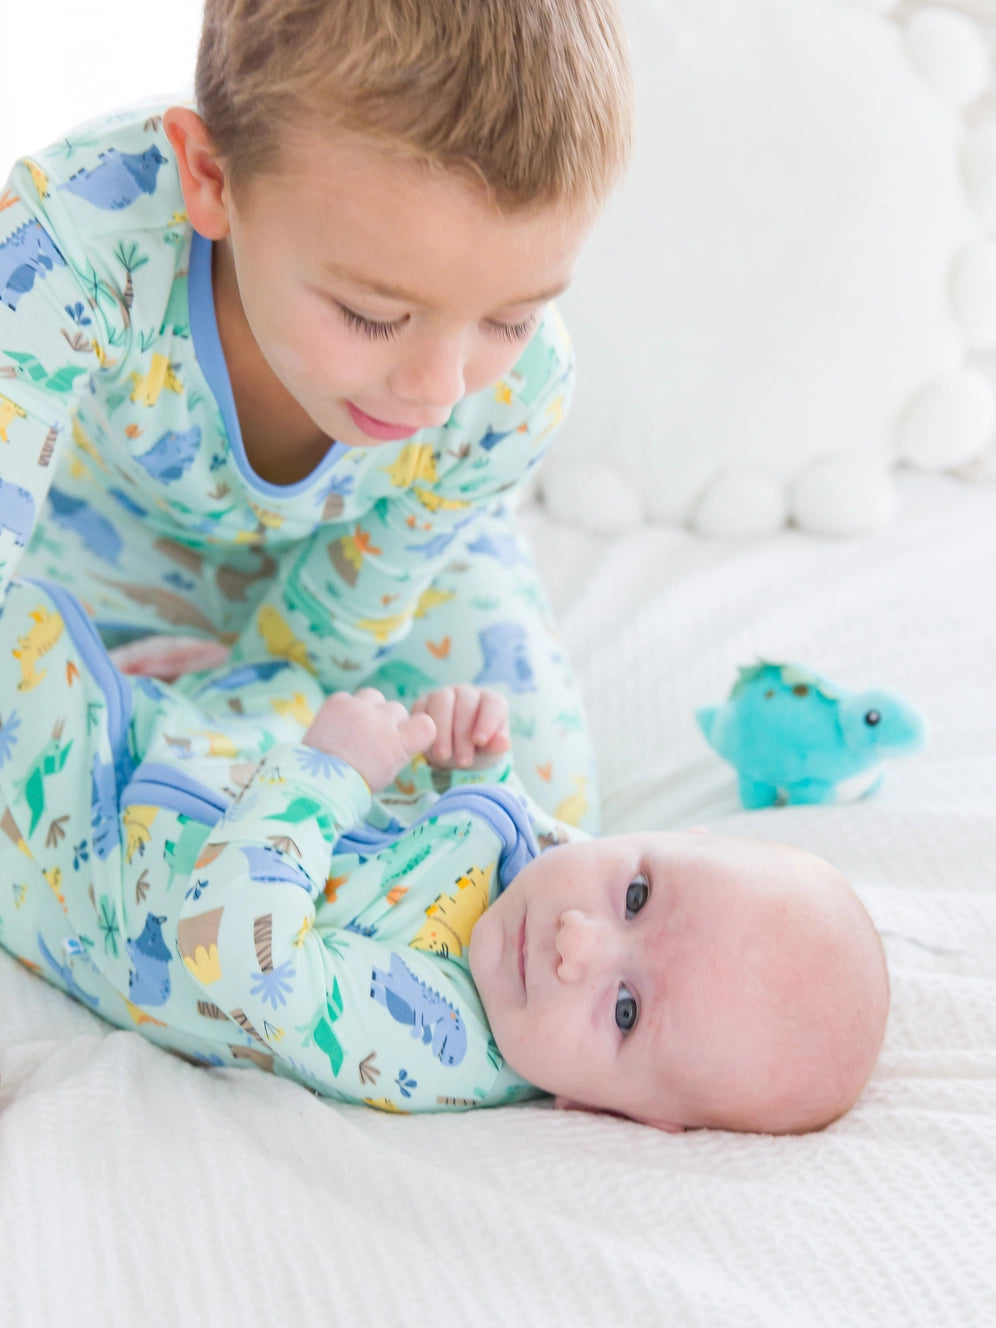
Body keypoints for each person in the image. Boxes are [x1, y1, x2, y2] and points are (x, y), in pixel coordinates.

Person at [0, 0, 635, 833]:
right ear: (211, 179)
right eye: (373, 316)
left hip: (373, 570)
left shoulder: (518, 392)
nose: (440, 390)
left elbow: (352, 609)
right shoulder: (76, 239)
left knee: (543, 806)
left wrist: (249, 703)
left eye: (511, 319)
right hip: (114, 541)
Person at [0, 578, 889, 1133]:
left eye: (624, 1012)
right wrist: (467, 771)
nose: (578, 941)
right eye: (638, 896)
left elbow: (242, 960)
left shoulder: (440, 1040)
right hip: (193, 783)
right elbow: (443, 857)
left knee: (24, 631)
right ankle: (171, 691)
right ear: (669, 842)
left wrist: (328, 777)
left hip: (96, 871)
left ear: (610, 1111)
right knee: (273, 684)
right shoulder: (561, 880)